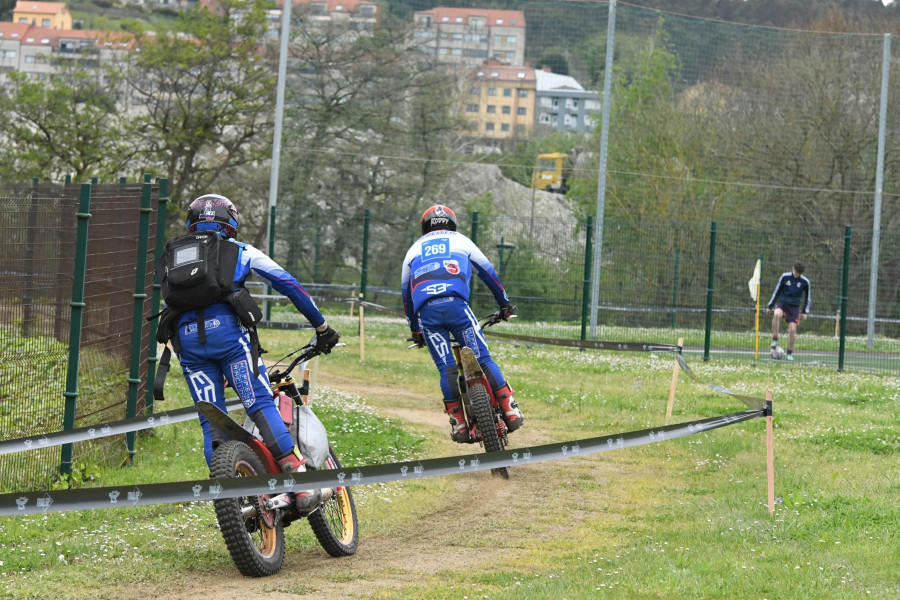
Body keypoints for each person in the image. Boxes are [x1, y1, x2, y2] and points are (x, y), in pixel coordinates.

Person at [172, 194, 340, 508]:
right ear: (230, 223)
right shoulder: (240, 251)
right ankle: (298, 480)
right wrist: (321, 326)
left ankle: (229, 499)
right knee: (260, 403)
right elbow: (287, 283)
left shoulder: (176, 254)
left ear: (191, 223)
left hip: (188, 343)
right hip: (229, 338)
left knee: (212, 421)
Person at [401, 204, 523, 443]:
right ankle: (509, 407)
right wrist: (505, 305)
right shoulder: (462, 241)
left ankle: (459, 424)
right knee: (483, 359)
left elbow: (406, 295)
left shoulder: (413, 250)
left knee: (446, 368)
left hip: (428, 314)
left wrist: (415, 329)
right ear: (452, 223)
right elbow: (489, 274)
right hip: (457, 307)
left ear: (425, 227)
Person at [766, 261, 811, 361]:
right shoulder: (785, 277)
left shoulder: (805, 282)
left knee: (792, 330)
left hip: (794, 306)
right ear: (792, 268)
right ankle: (775, 339)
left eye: (799, 273)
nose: (796, 274)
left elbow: (808, 297)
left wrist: (804, 312)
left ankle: (789, 353)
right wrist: (770, 306)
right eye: (795, 271)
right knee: (777, 314)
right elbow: (777, 291)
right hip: (783, 303)